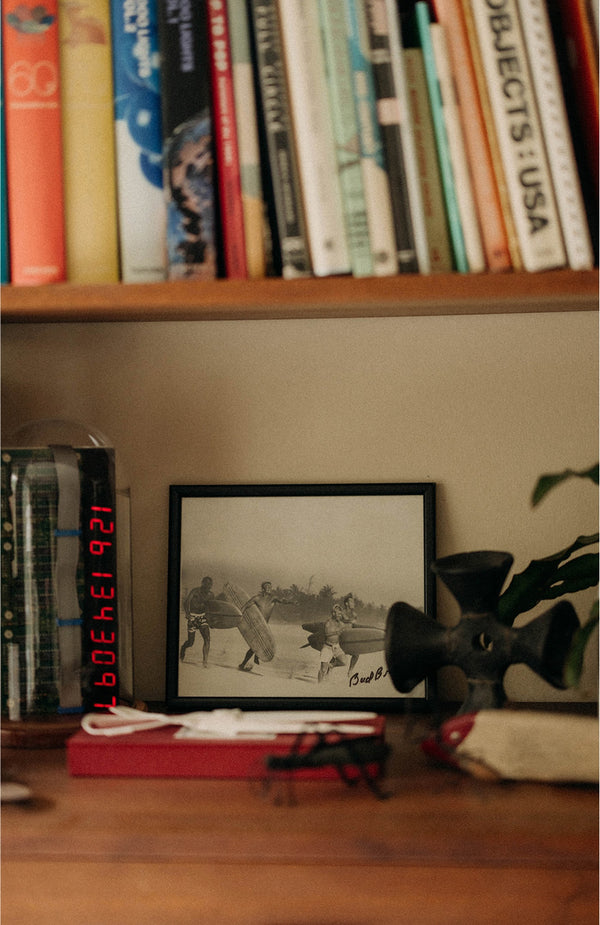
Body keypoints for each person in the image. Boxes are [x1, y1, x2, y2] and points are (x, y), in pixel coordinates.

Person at [238, 580, 292, 671]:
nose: (269, 589)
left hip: (264, 626)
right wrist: (239, 615)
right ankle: (248, 661)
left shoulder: (273, 598)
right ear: (263, 589)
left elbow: (282, 601)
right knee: (254, 646)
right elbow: (246, 606)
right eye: (267, 587)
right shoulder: (257, 598)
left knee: (258, 645)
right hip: (256, 625)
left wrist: (290, 602)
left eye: (270, 587)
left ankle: (251, 660)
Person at [180, 576, 214, 668]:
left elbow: (212, 609)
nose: (208, 586)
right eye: (206, 584)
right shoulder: (195, 591)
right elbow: (186, 602)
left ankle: (205, 661)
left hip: (202, 617)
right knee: (191, 642)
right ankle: (183, 648)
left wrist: (212, 622)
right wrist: (188, 614)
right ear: (202, 583)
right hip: (193, 617)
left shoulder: (211, 595)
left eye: (210, 584)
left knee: (207, 639)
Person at [318, 604, 345, 683]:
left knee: (344, 662)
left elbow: (344, 630)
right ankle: (319, 684)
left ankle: (331, 665)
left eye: (341, 614)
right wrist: (337, 631)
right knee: (323, 669)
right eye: (338, 614)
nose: (340, 615)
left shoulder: (341, 624)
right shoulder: (328, 622)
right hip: (327, 647)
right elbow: (327, 633)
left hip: (336, 647)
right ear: (333, 613)